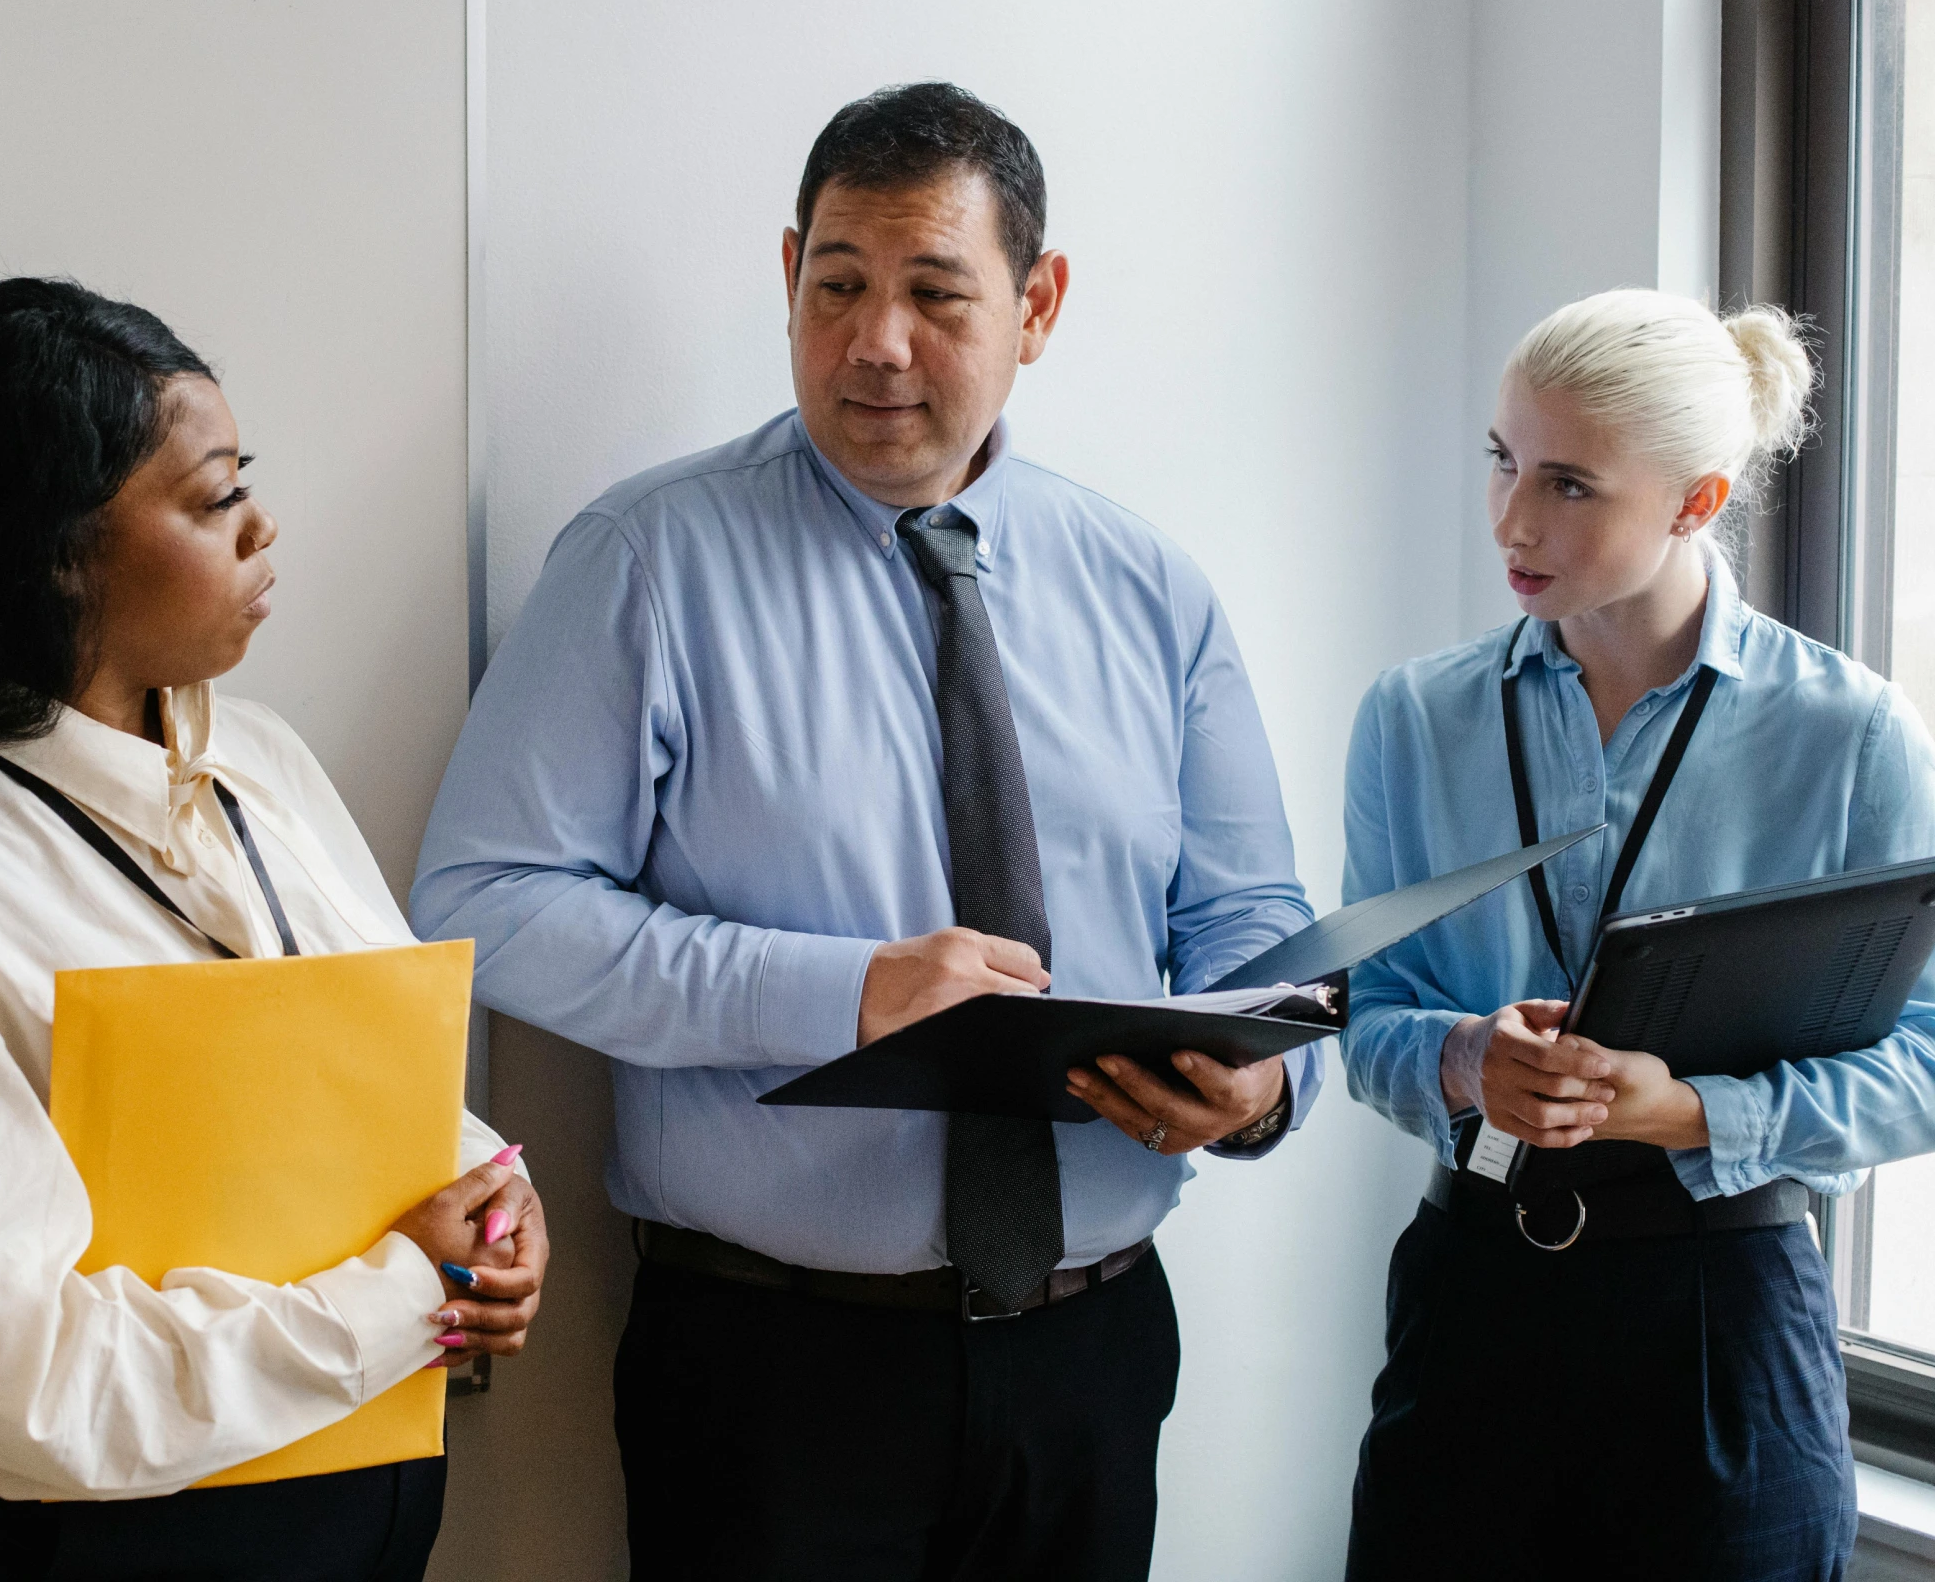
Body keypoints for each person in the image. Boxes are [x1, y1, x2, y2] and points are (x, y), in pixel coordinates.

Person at [411, 81, 1322, 1580]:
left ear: (1040, 308)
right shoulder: (647, 563)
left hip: (1093, 1352)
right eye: (836, 286)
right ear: (788, 279)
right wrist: (844, 993)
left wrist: (1262, 1088)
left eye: (933, 294)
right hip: (776, 1371)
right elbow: (485, 901)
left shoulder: (1151, 585)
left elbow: (1249, 922)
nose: (875, 341)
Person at [0, 279, 550, 1582]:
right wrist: (400, 1296)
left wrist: (490, 1202)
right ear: (53, 553)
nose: (265, 528)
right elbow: (12, 1381)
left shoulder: (259, 759)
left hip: (362, 1480)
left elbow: (373, 1055)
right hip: (119, 1543)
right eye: (213, 501)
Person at [1338, 288, 1935, 1581]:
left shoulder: (1855, 737)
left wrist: (1692, 1115)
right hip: (1474, 1291)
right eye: (1503, 460)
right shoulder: (1412, 718)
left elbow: (1929, 1065)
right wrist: (1457, 1060)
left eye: (1568, 484)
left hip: (1726, 1309)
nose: (1511, 519)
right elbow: (1366, 1018)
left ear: (1697, 503)